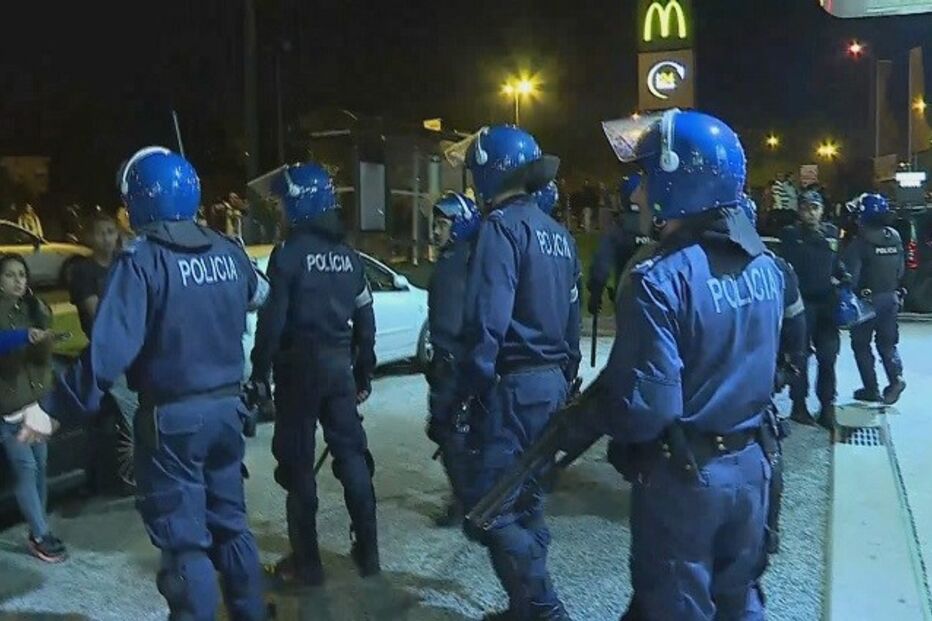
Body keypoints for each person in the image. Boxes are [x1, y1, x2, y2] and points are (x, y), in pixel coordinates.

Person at [19, 146, 270, 621]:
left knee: (185, 545)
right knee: (233, 529)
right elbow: (261, 295)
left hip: (174, 422)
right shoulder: (226, 251)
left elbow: (109, 352)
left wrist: (53, 409)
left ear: (141, 200)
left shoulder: (141, 261)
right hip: (226, 413)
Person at [593, 109, 782, 619]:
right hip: (753, 467)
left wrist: (616, 427)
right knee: (739, 600)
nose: (636, 194)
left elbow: (647, 409)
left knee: (676, 604)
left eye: (648, 178)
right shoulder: (766, 264)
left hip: (687, 480)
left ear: (679, 181)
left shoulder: (659, 279)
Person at [456, 124, 581, 620]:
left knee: (491, 509)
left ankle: (546, 607)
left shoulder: (502, 228)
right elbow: (572, 322)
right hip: (552, 382)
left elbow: (488, 320)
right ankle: (524, 606)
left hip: (513, 385)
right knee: (527, 502)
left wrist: (470, 390)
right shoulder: (559, 235)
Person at [249, 162, 378, 586]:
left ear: (299, 205)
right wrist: (364, 370)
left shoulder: (288, 256)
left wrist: (259, 373)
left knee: (298, 467)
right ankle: (369, 553)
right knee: (353, 458)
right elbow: (365, 317)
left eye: (283, 205)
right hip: (339, 369)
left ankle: (307, 565)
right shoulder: (349, 255)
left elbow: (273, 321)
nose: (279, 213)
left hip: (297, 372)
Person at [0, 254, 67, 563]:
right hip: (7, 408)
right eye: (10, 275)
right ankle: (41, 534)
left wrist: (39, 322)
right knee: (25, 469)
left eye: (22, 275)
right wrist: (22, 336)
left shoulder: (28, 308)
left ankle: (38, 530)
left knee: (40, 466)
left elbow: (44, 336)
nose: (18, 280)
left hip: (33, 403)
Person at [425, 191, 481, 527]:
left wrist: (449, 358)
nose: (435, 231)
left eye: (442, 224)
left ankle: (465, 503)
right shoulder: (459, 259)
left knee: (450, 432)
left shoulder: (460, 263)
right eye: (434, 224)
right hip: (452, 359)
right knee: (451, 431)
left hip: (454, 361)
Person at [778, 189, 847, 428]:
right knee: (800, 357)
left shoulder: (831, 233)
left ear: (822, 210)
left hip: (827, 305)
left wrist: (844, 277)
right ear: (799, 210)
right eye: (806, 207)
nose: (811, 212)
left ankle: (827, 407)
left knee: (828, 358)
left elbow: (837, 265)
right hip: (801, 305)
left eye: (815, 207)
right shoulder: (790, 235)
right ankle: (799, 406)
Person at [842, 193, 906, 404]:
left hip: (867, 302)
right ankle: (895, 378)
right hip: (891, 297)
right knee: (887, 344)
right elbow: (901, 269)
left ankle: (871, 389)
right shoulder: (894, 236)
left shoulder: (860, 242)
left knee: (861, 345)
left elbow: (852, 275)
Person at [587, 174, 651, 316]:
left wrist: (596, 293)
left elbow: (601, 267)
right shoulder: (658, 228)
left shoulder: (618, 229)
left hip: (626, 300)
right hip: (659, 301)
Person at [69, 214, 120, 337]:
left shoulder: (125, 264)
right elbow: (97, 314)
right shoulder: (82, 271)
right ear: (90, 238)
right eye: (100, 233)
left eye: (110, 232)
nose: (106, 238)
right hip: (104, 336)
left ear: (117, 235)